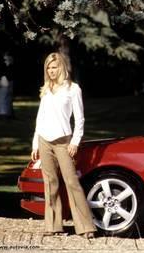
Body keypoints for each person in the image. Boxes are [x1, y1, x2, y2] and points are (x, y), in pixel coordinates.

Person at [31, 52, 96, 238]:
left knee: (71, 182)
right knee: (50, 183)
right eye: (48, 68)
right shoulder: (46, 89)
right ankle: (52, 226)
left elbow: (80, 119)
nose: (51, 71)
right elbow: (40, 119)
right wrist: (35, 144)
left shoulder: (73, 89)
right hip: (44, 141)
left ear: (61, 68)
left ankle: (86, 227)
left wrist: (75, 142)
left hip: (64, 141)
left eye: (54, 67)